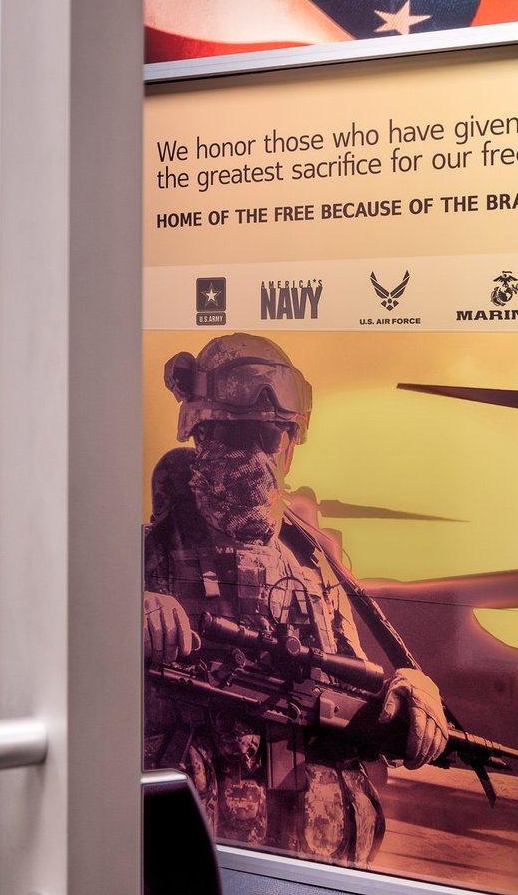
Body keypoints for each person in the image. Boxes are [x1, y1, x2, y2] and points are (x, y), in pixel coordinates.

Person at [142, 333, 448, 866]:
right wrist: (128, 608)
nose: (256, 457)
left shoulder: (313, 567)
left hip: (309, 853)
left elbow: (354, 673)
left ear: (289, 443)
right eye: (236, 436)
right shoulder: (146, 552)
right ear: (200, 438)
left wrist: (411, 690)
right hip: (191, 855)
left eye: (271, 436)